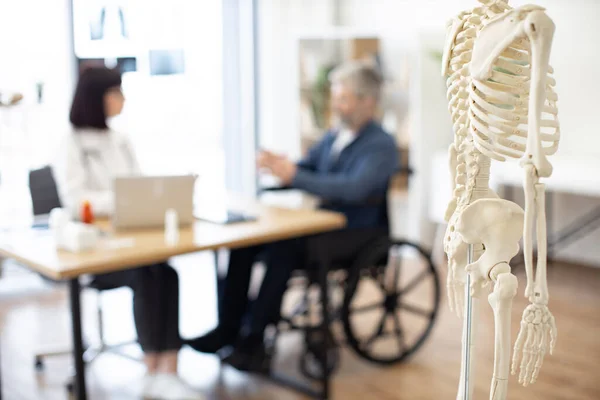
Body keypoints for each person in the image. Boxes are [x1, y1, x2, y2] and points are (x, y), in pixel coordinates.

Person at [188, 61, 399, 372]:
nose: (336, 106)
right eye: (335, 98)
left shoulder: (381, 144)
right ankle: (228, 328)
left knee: (283, 248)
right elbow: (308, 166)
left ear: (367, 101)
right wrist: (282, 167)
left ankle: (255, 338)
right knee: (244, 242)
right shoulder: (335, 135)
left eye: (343, 99)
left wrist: (295, 176)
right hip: (320, 225)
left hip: (356, 232)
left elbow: (354, 189)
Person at [52, 66, 203, 400]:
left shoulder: (121, 139)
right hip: (96, 250)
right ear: (98, 98)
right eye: (117, 92)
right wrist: (118, 202)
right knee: (147, 275)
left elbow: (139, 188)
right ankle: (152, 370)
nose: (123, 99)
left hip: (131, 236)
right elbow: (77, 202)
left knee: (166, 273)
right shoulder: (70, 143)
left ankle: (169, 369)